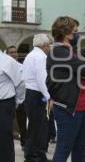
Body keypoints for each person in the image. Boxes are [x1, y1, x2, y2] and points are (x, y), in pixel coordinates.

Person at [46, 16, 85, 162]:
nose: (77, 35)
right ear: (65, 33)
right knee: (63, 150)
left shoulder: (71, 51)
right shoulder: (59, 51)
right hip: (68, 108)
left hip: (81, 107)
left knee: (79, 149)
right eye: (75, 31)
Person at [23, 34, 53, 162]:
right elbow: (42, 80)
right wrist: (49, 97)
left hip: (30, 93)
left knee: (36, 126)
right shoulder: (41, 57)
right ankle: (33, 156)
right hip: (37, 94)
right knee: (39, 126)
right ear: (45, 45)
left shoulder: (30, 55)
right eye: (49, 45)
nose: (50, 48)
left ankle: (37, 154)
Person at [0, 49, 25, 162]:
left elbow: (20, 82)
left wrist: (18, 100)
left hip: (4, 103)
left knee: (4, 137)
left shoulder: (8, 61)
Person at [6, 45, 27, 151]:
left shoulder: (21, 66)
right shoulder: (4, 66)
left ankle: (24, 143)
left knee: (22, 122)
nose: (14, 54)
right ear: (7, 54)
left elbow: (22, 84)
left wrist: (19, 99)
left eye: (15, 52)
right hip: (7, 98)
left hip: (20, 98)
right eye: (11, 52)